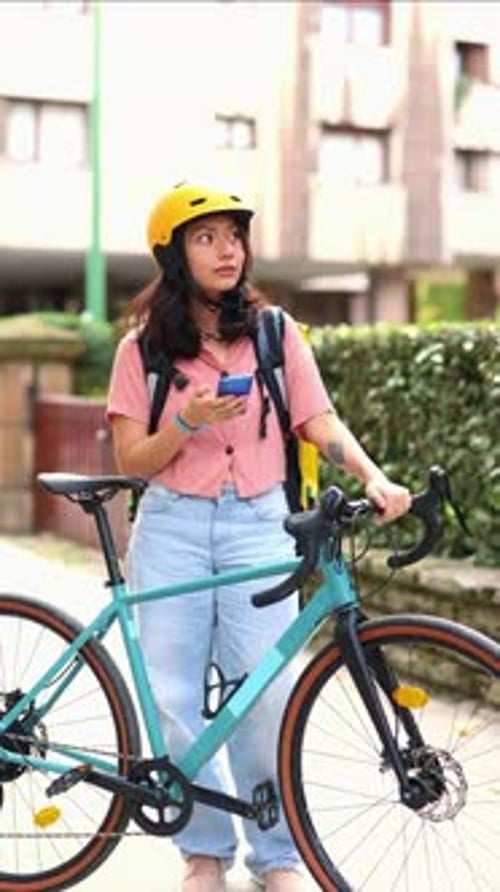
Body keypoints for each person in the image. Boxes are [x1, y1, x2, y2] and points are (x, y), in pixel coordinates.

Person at [106, 181, 411, 892]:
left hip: (259, 527)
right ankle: (203, 852)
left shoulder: (276, 333)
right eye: (207, 237)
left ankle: (276, 858)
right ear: (175, 254)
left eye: (233, 235)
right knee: (173, 698)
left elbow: (320, 421)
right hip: (173, 527)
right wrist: (188, 422)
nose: (226, 250)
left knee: (266, 696)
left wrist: (373, 475)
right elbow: (131, 462)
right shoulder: (141, 350)